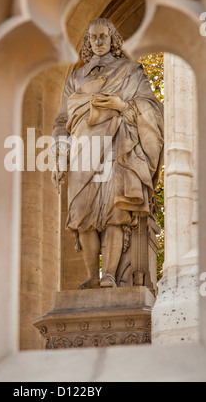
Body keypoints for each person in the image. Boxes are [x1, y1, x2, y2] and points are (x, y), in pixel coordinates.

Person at [52, 18, 164, 290]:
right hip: (83, 150)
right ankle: (93, 276)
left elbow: (152, 108)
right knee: (83, 215)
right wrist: (60, 155)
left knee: (115, 209)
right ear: (88, 42)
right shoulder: (76, 78)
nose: (99, 42)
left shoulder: (130, 71)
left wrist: (122, 105)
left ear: (113, 39)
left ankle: (110, 275)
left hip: (119, 146)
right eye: (93, 37)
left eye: (104, 36)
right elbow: (61, 121)